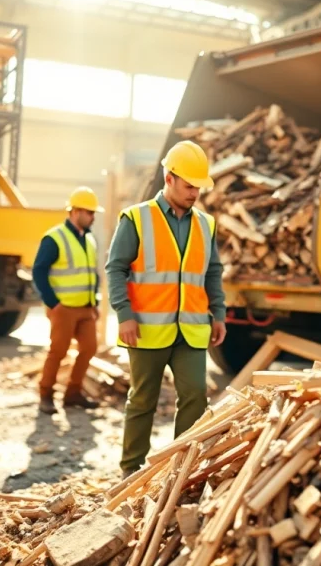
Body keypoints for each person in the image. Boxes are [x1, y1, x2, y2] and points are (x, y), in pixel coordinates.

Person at [106, 140, 227, 478]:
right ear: (169, 177)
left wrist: (218, 313)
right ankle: (131, 472)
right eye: (189, 186)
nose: (195, 194)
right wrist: (124, 314)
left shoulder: (206, 224)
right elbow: (115, 268)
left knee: (195, 397)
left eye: (199, 188)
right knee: (143, 400)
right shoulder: (136, 218)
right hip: (145, 328)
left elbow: (212, 271)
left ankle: (180, 470)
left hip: (191, 328)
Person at [32, 186, 104, 414]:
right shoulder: (54, 238)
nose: (93, 217)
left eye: (94, 213)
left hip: (85, 307)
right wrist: (54, 303)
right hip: (63, 308)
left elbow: (92, 273)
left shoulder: (89, 240)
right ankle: (45, 394)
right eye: (89, 212)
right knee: (58, 351)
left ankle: (73, 394)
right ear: (75, 211)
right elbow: (39, 271)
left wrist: (95, 302)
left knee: (90, 348)